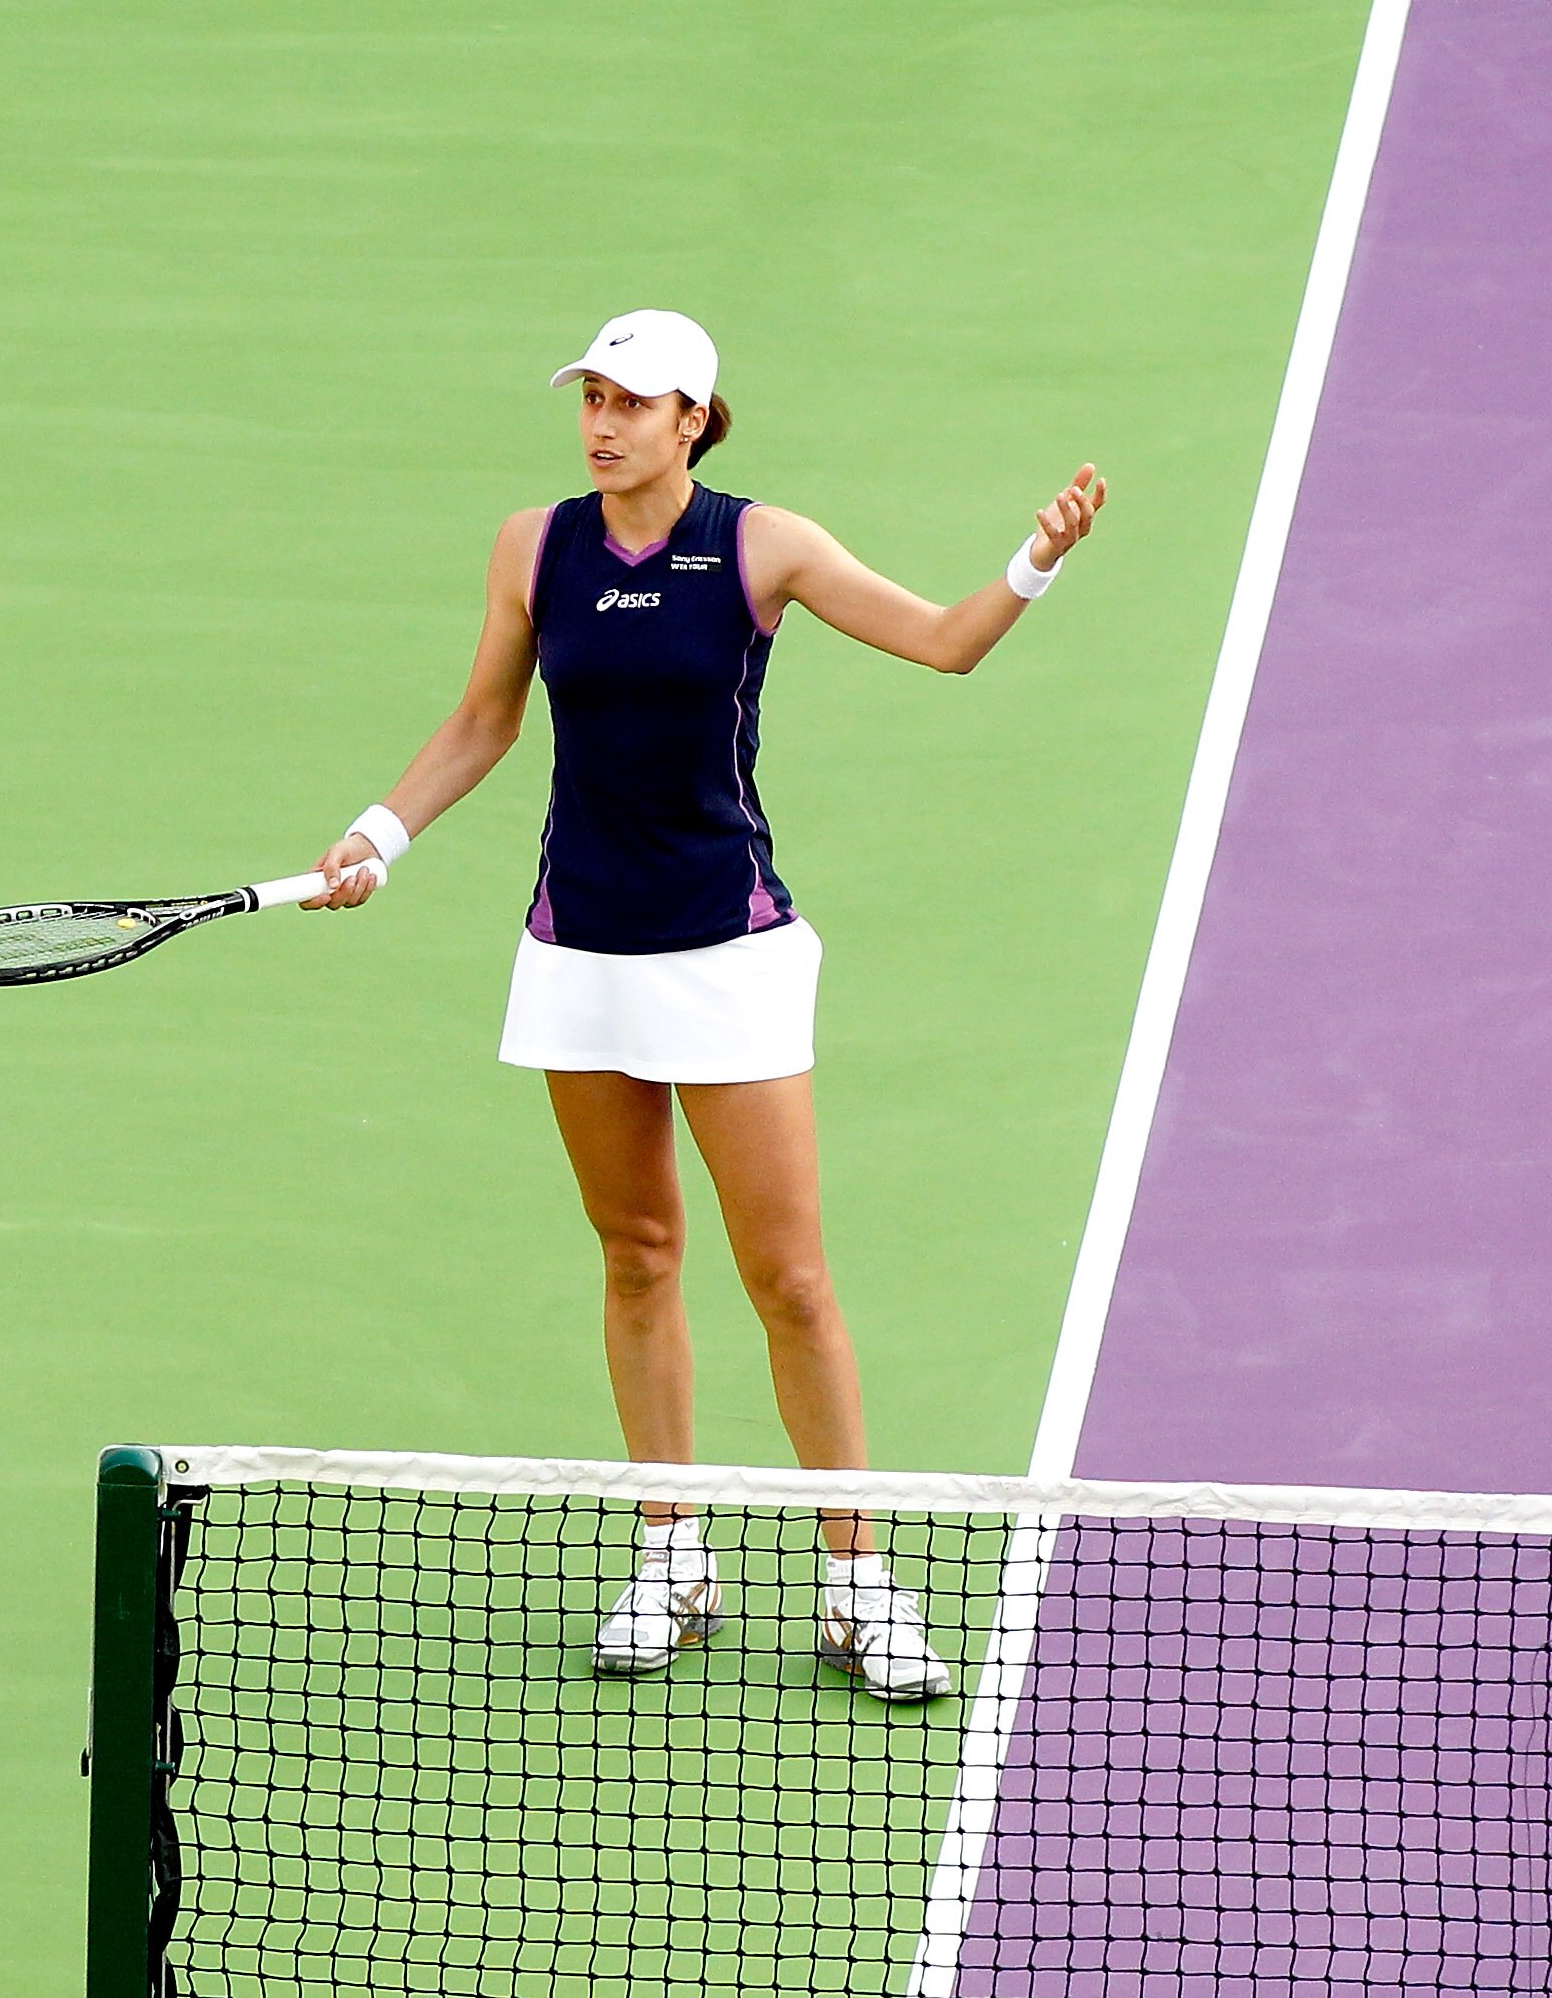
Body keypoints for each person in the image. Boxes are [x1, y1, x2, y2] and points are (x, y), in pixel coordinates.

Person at [308, 310, 1106, 1699]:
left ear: (692, 418)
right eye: (591, 398)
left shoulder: (761, 546)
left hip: (726, 954)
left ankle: (859, 1581)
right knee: (634, 1254)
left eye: (632, 401)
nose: (602, 421)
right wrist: (379, 832)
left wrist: (1029, 560)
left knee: (788, 1281)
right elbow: (485, 720)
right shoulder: (529, 546)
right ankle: (671, 1552)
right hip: (577, 954)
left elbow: (943, 643)